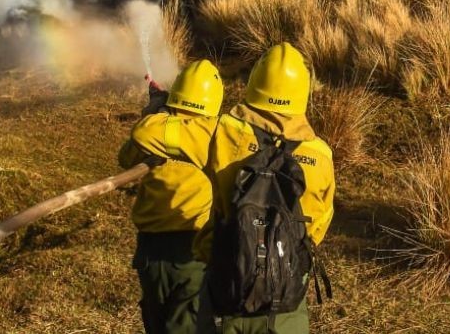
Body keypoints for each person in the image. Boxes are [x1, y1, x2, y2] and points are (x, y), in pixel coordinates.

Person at [195, 42, 335, 334]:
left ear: (255, 83)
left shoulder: (224, 132)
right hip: (286, 301)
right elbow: (317, 228)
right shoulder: (320, 155)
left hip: (226, 292)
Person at [119, 59, 225, 334]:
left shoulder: (159, 130)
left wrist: (158, 113)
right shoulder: (216, 131)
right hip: (187, 247)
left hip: (166, 248)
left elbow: (142, 134)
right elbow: (127, 157)